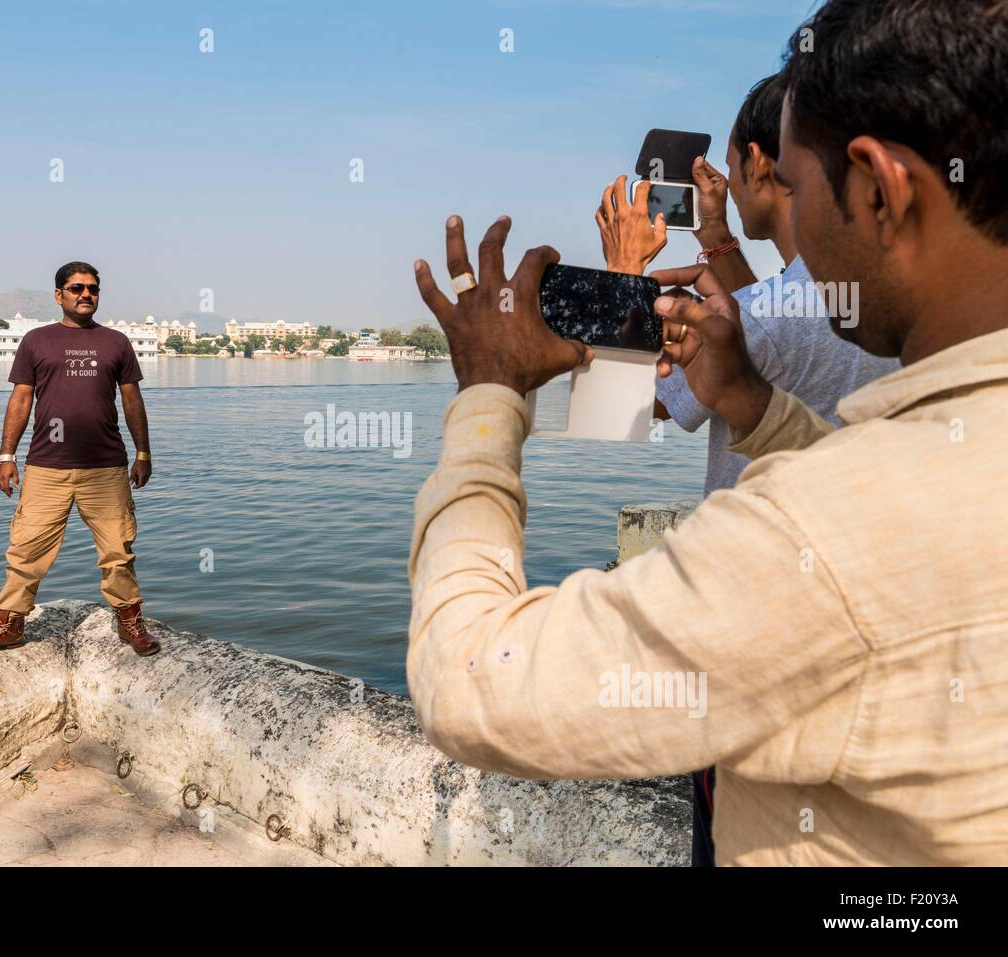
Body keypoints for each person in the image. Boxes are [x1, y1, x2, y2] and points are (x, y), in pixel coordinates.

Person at [408, 0, 1008, 865]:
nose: (797, 228)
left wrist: (490, 391)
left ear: (879, 189)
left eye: (799, 191)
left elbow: (470, 685)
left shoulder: (820, 533)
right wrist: (755, 406)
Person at [595, 72, 899, 865]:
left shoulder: (766, 319)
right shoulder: (870, 300)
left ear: (766, 164)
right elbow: (770, 322)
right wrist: (718, 238)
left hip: (753, 633)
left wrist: (622, 276)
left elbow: (620, 413)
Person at [0, 261, 160, 657]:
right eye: (76, 288)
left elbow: (132, 400)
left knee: (118, 550)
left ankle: (130, 622)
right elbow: (20, 399)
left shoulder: (116, 342)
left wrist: (143, 452)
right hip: (46, 467)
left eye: (93, 288)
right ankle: (9, 625)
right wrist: (6, 455)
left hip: (104, 467)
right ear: (59, 295)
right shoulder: (37, 341)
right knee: (26, 549)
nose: (86, 294)